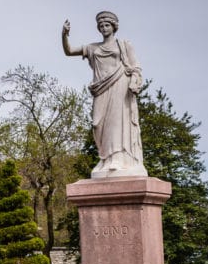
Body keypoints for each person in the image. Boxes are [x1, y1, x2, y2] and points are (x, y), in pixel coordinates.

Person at [62, 11, 148, 179]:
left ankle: (117, 158)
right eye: (101, 26)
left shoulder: (123, 45)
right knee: (97, 124)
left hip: (120, 85)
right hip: (100, 89)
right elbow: (69, 51)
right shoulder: (93, 48)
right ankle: (105, 158)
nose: (104, 28)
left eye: (107, 25)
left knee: (117, 122)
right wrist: (64, 35)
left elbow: (136, 67)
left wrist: (135, 82)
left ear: (114, 26)